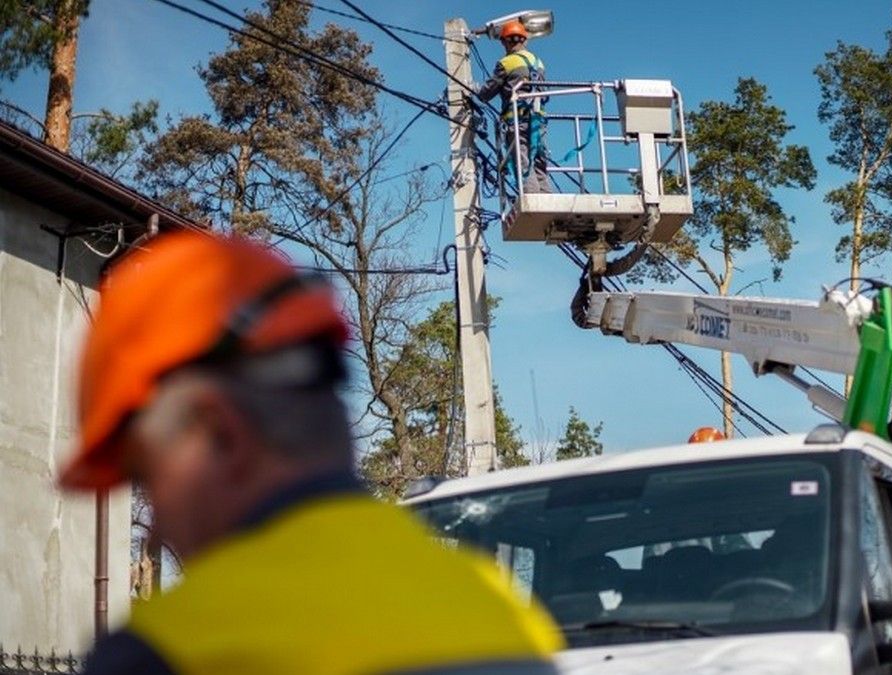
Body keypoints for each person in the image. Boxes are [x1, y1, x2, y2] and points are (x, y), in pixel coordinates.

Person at [61, 232, 562, 674]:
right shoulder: (505, 614)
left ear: (220, 433)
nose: (156, 529)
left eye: (147, 479)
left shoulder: (174, 653)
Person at [475, 19, 554, 194]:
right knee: (539, 162)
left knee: (522, 160)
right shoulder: (538, 62)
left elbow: (487, 92)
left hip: (518, 122)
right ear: (524, 40)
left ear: (505, 41)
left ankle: (532, 198)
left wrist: (475, 91)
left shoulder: (507, 63)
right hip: (539, 121)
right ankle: (547, 197)